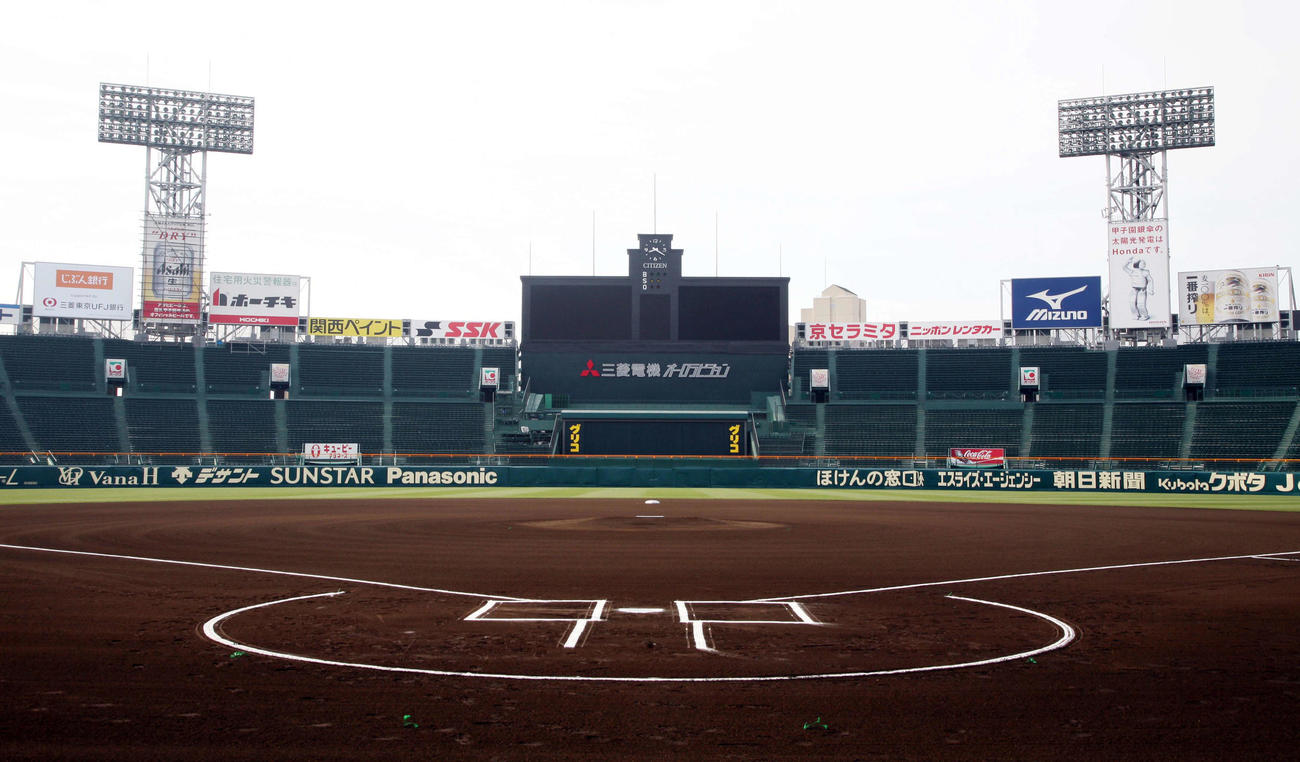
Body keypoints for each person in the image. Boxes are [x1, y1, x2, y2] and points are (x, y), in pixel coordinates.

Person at [1123, 257, 1152, 321]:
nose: (1144, 264)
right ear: (1137, 264)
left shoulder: (1145, 272)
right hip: (1134, 289)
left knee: (1141, 303)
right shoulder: (1132, 272)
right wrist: (1127, 262)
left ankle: (1145, 315)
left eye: (1144, 263)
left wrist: (1151, 289)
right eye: (1142, 263)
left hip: (1142, 290)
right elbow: (1124, 268)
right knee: (1132, 303)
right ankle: (1136, 315)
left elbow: (1150, 280)